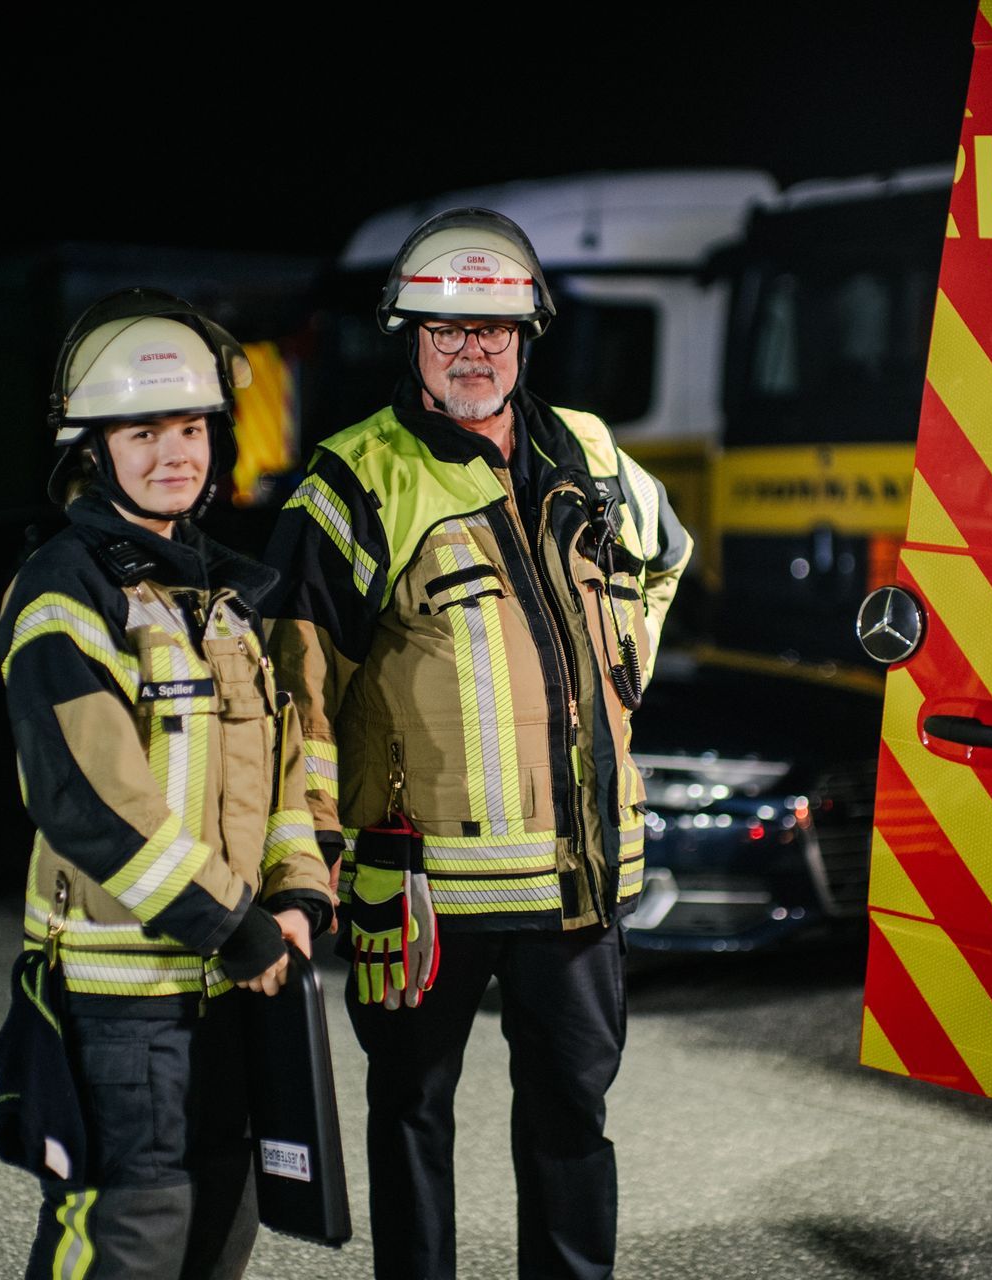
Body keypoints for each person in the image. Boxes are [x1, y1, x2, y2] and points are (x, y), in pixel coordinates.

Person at [265, 208, 692, 1279]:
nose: (471, 351)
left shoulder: (588, 451)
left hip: (576, 874)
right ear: (408, 337)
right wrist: (307, 860)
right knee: (412, 1113)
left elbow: (667, 552)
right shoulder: (356, 479)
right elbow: (298, 691)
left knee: (573, 1116)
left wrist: (623, 666)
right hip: (421, 888)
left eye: (492, 329)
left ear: (526, 334)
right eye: (445, 329)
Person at [0, 288, 332, 1279]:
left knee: (220, 1225)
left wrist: (297, 893)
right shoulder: (65, 591)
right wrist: (236, 925)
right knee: (130, 1232)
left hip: (228, 987)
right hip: (124, 996)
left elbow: (277, 773)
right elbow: (92, 802)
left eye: (190, 427)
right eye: (142, 432)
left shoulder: (218, 595)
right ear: (92, 450)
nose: (174, 453)